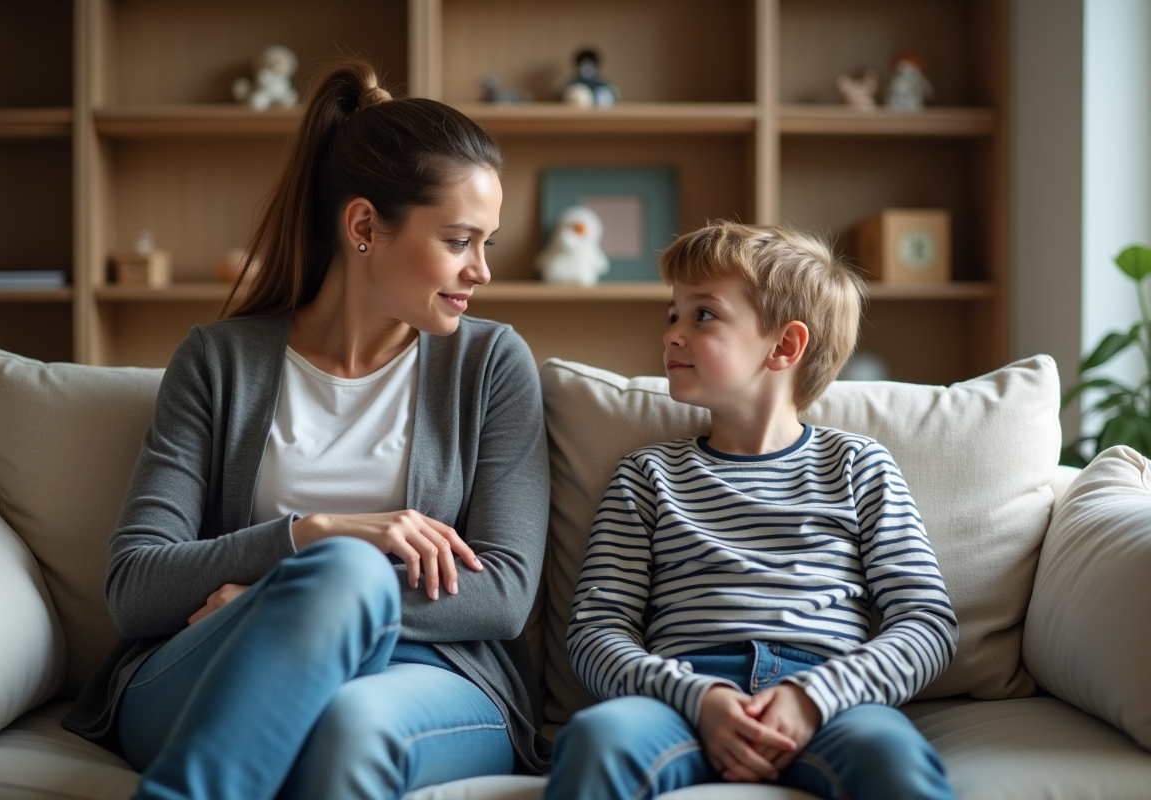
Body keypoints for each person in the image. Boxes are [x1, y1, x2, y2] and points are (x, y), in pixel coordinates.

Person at [62, 58, 551, 800]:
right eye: (459, 241)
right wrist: (309, 538)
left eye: (488, 242)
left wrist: (277, 602)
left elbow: (504, 593)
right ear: (364, 227)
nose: (482, 270)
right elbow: (135, 585)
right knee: (345, 566)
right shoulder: (218, 360)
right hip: (216, 663)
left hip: (424, 678)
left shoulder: (491, 364)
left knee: (348, 723)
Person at [546, 221, 960, 800]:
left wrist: (813, 698)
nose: (672, 334)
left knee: (891, 758)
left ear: (784, 346)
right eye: (673, 315)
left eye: (703, 315)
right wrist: (699, 698)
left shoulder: (859, 465)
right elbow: (596, 630)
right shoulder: (647, 475)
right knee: (598, 740)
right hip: (680, 699)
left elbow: (926, 624)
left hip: (829, 700)